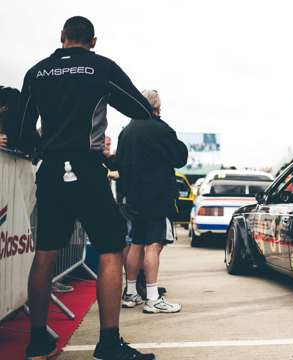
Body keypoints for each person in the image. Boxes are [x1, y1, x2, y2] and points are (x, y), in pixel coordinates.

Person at [15, 16, 155, 360]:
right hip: (87, 169)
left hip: (50, 171)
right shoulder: (101, 67)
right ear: (93, 41)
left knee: (45, 252)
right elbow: (141, 109)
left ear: (62, 37)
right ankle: (108, 343)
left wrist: (42, 143)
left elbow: (20, 130)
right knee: (109, 249)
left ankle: (37, 342)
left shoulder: (37, 72)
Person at [117, 89, 187, 314]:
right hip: (157, 197)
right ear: (156, 106)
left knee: (136, 243)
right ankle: (153, 297)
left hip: (133, 197)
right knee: (153, 245)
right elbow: (180, 158)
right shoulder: (160, 128)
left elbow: (119, 162)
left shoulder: (126, 131)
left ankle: (130, 293)